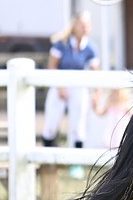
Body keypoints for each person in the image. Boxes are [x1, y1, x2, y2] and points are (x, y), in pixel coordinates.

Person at [42, 12, 100, 149]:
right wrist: (60, 87)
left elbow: (96, 71)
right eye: (82, 25)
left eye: (87, 25)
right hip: (59, 85)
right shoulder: (62, 44)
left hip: (79, 86)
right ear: (74, 26)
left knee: (78, 126)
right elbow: (52, 66)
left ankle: (76, 164)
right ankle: (48, 161)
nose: (85, 28)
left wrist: (97, 93)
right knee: (51, 123)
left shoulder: (91, 48)